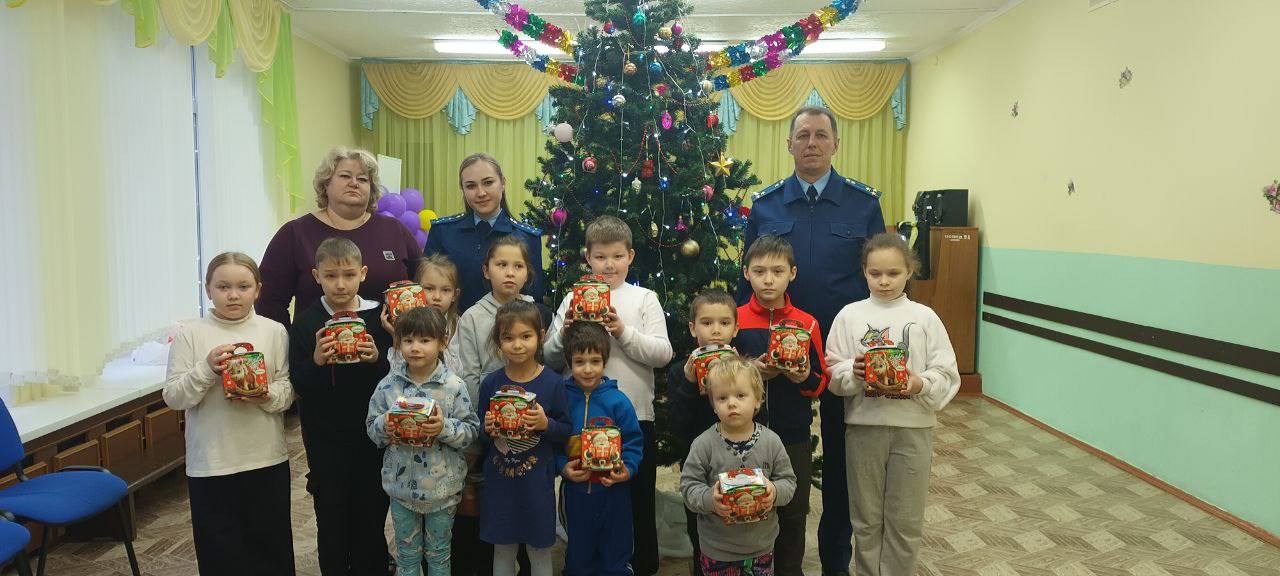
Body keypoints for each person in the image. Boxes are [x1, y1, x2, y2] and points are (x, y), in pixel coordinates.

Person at [739, 106, 885, 576]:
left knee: (843, 463)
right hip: (781, 363)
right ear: (789, 144)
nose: (812, 143)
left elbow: (882, 278)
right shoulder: (766, 205)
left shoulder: (863, 205)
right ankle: (777, 557)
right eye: (802, 135)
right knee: (783, 455)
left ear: (836, 143)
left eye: (821, 135)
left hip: (842, 356)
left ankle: (835, 560)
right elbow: (748, 284)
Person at [824, 232, 961, 576]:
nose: (884, 281)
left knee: (906, 518)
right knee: (866, 517)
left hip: (913, 431)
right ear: (864, 272)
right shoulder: (849, 316)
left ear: (909, 271)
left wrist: (919, 383)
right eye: (875, 273)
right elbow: (832, 370)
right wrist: (853, 373)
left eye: (893, 273)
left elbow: (947, 373)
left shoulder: (925, 317)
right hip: (863, 429)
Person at [544, 215, 673, 576]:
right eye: (600, 257)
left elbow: (663, 353)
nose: (609, 265)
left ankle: (639, 566)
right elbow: (550, 358)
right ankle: (583, 560)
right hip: (578, 419)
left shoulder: (644, 298)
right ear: (587, 257)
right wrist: (563, 332)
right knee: (584, 498)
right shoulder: (572, 298)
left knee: (636, 500)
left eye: (617, 256)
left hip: (634, 415)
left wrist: (622, 332)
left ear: (630, 256)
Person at [163, 252, 295, 575]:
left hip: (266, 459)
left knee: (272, 551)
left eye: (243, 286)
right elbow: (173, 396)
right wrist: (207, 369)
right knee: (220, 555)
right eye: (223, 286)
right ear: (208, 289)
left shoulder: (274, 331)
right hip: (211, 464)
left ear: (258, 290)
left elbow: (288, 392)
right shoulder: (190, 335)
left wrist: (264, 394)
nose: (233, 295)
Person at [289, 237, 392, 575]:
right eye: (331, 276)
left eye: (349, 274)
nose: (341, 284)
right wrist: (317, 361)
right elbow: (299, 385)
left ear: (363, 273)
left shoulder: (380, 317)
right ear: (317, 275)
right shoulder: (306, 322)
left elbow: (396, 380)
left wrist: (378, 358)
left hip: (373, 438)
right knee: (331, 517)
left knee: (372, 513)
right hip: (326, 439)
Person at [733, 235, 828, 576]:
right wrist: (749, 371)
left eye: (777, 271)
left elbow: (821, 383)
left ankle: (789, 570)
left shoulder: (808, 322)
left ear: (793, 273)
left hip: (792, 436)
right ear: (746, 273)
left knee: (792, 510)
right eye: (759, 271)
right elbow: (718, 378)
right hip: (742, 434)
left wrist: (803, 377)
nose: (768, 279)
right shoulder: (735, 319)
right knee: (746, 506)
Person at [367, 307, 480, 576]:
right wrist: (386, 424)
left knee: (439, 555)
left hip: (443, 489)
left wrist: (444, 427)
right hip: (401, 489)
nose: (415, 348)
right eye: (408, 340)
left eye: (425, 340)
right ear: (399, 343)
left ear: (442, 342)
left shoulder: (453, 386)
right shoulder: (387, 386)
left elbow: (471, 431)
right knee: (407, 556)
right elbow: (372, 429)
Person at [259, 147, 421, 329]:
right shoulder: (295, 233)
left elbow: (424, 287)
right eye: (345, 176)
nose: (354, 183)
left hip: (391, 353)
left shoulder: (395, 230)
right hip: (316, 353)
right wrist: (293, 345)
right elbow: (269, 302)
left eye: (362, 179)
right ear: (325, 184)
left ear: (371, 188)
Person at [679, 356, 797, 576]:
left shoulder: (771, 442)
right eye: (722, 398)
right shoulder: (703, 444)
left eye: (741, 395)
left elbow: (789, 482)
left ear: (758, 400)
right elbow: (688, 487)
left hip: (761, 548)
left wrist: (775, 491)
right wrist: (708, 500)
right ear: (713, 405)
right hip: (717, 551)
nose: (731, 403)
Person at [475, 301, 570, 576]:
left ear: (540, 336)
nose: (517, 345)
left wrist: (545, 424)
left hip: (536, 484)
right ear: (498, 341)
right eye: (508, 337)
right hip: (500, 485)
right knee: (502, 549)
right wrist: (488, 428)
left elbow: (566, 429)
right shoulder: (491, 384)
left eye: (525, 336)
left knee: (539, 549)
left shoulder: (552, 383)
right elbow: (482, 432)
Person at [557, 321, 644, 576]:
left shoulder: (618, 401)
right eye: (579, 361)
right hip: (576, 494)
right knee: (578, 557)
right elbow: (551, 443)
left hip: (613, 492)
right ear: (568, 361)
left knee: (615, 554)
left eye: (594, 361)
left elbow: (633, 441)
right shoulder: (561, 398)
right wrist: (562, 466)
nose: (587, 369)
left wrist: (627, 468)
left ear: (605, 361)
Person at [667, 288, 740, 576]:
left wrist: (738, 375)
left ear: (736, 328)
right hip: (697, 465)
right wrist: (688, 381)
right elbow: (676, 427)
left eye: (724, 323)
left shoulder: (743, 367)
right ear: (692, 328)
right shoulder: (678, 371)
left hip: (737, 461)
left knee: (737, 526)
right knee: (699, 529)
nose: (716, 331)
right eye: (707, 323)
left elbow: (759, 417)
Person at [426, 153, 545, 313]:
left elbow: (533, 301)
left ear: (502, 183)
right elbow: (426, 288)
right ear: (463, 189)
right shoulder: (443, 232)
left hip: (508, 333)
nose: (481, 193)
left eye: (488, 183)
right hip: (451, 333)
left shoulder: (526, 238)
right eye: (471, 186)